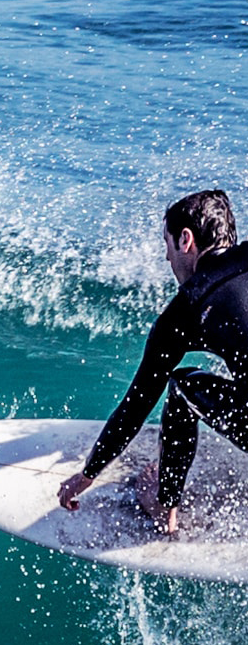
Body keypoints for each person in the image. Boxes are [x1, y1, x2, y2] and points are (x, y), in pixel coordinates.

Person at [58, 189, 248, 536]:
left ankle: (165, 507)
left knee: (181, 386)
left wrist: (87, 474)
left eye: (168, 243)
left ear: (186, 240)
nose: (166, 258)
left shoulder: (188, 308)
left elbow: (138, 403)